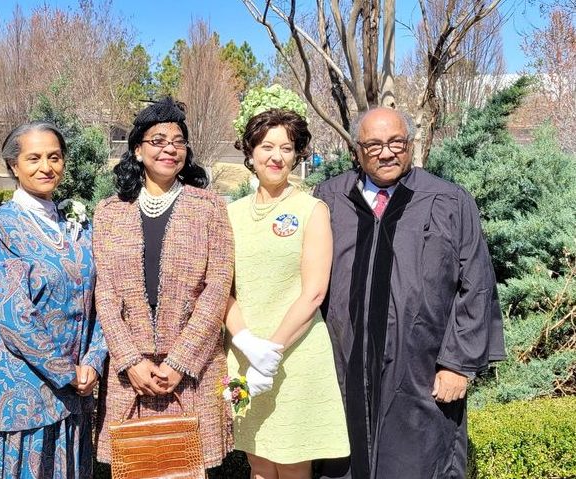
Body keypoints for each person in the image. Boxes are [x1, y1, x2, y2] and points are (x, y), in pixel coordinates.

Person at [313, 107, 506, 479]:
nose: (386, 153)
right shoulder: (330, 199)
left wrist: (458, 364)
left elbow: (477, 284)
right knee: (342, 463)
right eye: (373, 145)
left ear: (411, 144)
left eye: (396, 142)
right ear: (357, 150)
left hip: (420, 371)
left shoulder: (448, 200)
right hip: (342, 367)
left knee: (418, 462)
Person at [93, 97, 234, 470]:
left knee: (188, 467)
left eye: (178, 141)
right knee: (135, 467)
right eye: (158, 140)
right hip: (131, 378)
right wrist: (129, 361)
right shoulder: (110, 211)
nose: (170, 148)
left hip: (191, 374)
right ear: (137, 150)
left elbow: (218, 288)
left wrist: (180, 362)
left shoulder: (209, 207)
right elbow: (104, 293)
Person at [0, 122, 107, 478]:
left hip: (72, 392)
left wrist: (93, 359)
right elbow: (13, 314)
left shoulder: (78, 225)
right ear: (14, 165)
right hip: (18, 391)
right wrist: (66, 372)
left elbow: (104, 295)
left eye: (54, 157)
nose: (46, 166)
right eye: (34, 158)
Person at [225, 108, 349, 479]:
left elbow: (313, 293)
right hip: (245, 358)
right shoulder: (229, 214)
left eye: (287, 147)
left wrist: (271, 352)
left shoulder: (312, 210)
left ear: (298, 155)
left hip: (295, 356)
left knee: (293, 463)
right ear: (250, 152)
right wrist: (250, 347)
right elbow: (220, 289)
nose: (276, 157)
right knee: (258, 461)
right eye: (266, 146)